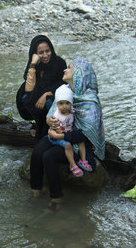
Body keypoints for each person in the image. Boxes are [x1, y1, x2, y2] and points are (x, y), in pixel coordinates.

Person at [30, 58, 105, 207]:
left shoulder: (90, 101)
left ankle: (56, 198)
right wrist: (49, 121)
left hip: (78, 143)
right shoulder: (65, 91)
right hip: (58, 135)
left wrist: (61, 136)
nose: (65, 70)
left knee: (49, 156)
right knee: (37, 151)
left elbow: (85, 134)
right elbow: (51, 114)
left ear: (79, 74)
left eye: (69, 68)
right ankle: (36, 190)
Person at [16, 35, 67, 139]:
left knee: (48, 102)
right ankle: (41, 126)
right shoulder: (34, 64)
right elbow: (29, 89)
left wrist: (47, 94)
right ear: (35, 54)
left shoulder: (59, 63)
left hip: (54, 95)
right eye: (41, 52)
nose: (45, 55)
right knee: (26, 99)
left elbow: (63, 85)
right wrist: (33, 64)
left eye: (47, 51)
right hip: (36, 93)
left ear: (51, 49)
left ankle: (56, 129)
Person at [47, 84, 93, 178]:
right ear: (57, 104)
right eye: (61, 103)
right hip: (56, 136)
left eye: (67, 103)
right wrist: (58, 131)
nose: (64, 106)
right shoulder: (57, 115)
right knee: (67, 145)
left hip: (67, 133)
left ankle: (83, 160)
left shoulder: (71, 113)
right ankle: (72, 165)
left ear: (71, 103)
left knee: (81, 141)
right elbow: (53, 128)